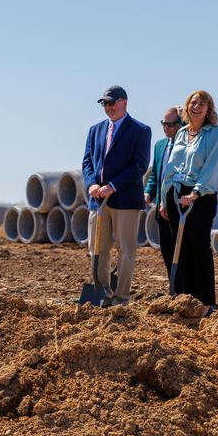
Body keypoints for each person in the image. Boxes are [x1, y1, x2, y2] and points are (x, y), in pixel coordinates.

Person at [82, 86, 151, 307]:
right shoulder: (95, 130)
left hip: (126, 201)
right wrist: (92, 183)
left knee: (125, 250)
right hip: (98, 200)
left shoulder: (140, 130)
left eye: (112, 103)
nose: (108, 108)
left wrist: (112, 185)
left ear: (124, 103)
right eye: (105, 104)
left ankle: (121, 299)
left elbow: (139, 165)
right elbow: (87, 162)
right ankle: (102, 294)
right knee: (97, 248)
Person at [160, 90, 218, 317]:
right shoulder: (182, 133)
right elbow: (171, 167)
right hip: (176, 194)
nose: (196, 107)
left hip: (201, 196)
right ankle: (188, 299)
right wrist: (165, 197)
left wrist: (195, 194)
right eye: (193, 103)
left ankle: (206, 302)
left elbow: (212, 166)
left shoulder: (213, 134)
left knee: (199, 248)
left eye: (202, 104)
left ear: (208, 110)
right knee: (182, 248)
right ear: (187, 107)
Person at [144, 106, 183, 281]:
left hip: (180, 205)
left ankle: (186, 287)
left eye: (170, 124)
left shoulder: (187, 146)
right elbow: (155, 175)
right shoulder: (160, 146)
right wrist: (148, 193)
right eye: (163, 124)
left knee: (181, 249)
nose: (166, 128)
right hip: (161, 207)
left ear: (181, 124)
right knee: (167, 248)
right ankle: (174, 286)